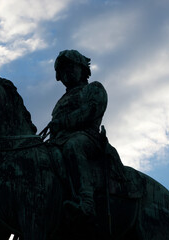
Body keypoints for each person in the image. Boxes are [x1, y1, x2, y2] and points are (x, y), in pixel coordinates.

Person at [48, 50, 108, 218]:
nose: (66, 73)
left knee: (73, 146)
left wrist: (63, 122)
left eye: (70, 67)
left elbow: (91, 110)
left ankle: (87, 201)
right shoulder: (61, 100)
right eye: (62, 70)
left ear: (82, 68)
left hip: (88, 137)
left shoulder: (93, 88)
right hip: (59, 141)